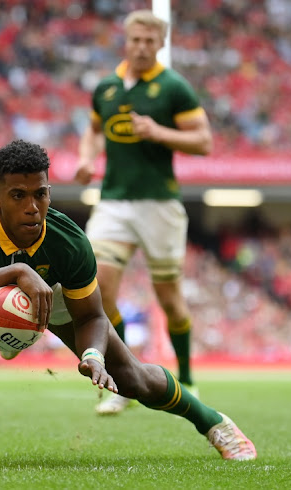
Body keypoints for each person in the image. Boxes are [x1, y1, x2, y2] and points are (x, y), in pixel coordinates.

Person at [0, 139, 256, 461]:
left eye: (40, 194)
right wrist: (16, 272)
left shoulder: (68, 240)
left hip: (55, 294)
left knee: (131, 378)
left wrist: (93, 355)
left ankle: (213, 422)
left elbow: (92, 317)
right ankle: (3, 320)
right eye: (18, 196)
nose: (32, 208)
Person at [74, 9, 211, 414]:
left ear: (160, 44)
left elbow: (204, 140)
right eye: (136, 39)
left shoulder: (174, 88)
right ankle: (125, 381)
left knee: (169, 299)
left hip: (159, 204)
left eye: (150, 41)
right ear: (127, 39)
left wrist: (158, 131)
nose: (141, 46)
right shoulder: (107, 87)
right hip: (114, 201)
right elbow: (95, 130)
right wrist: (86, 158)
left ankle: (186, 379)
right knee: (100, 291)